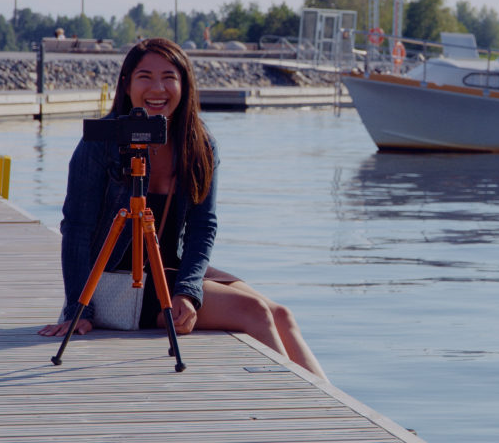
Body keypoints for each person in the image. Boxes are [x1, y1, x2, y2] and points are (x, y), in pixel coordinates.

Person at [38, 38, 327, 381]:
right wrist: (76, 308)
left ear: (184, 84)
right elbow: (77, 227)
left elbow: (204, 226)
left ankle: (336, 408)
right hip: (115, 283)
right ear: (126, 84)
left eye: (169, 77)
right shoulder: (101, 141)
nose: (157, 88)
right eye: (145, 76)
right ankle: (294, 402)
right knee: (255, 312)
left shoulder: (199, 143)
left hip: (169, 267)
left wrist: (187, 292)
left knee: (282, 314)